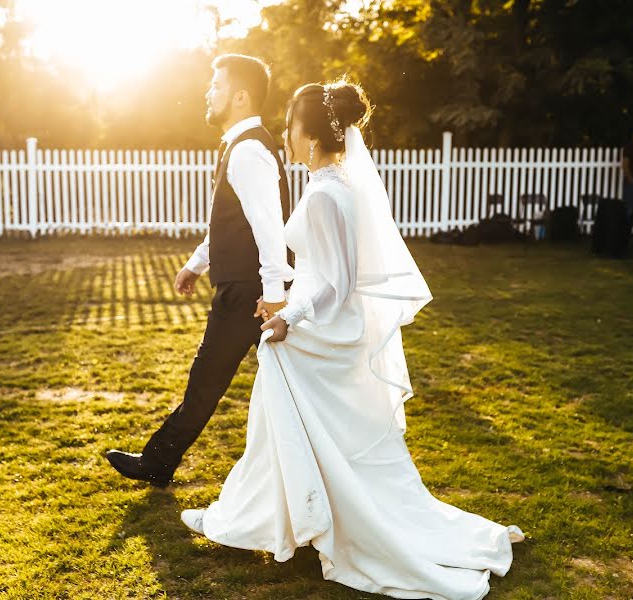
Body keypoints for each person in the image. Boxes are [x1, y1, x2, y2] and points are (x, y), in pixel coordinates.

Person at [179, 79, 524, 600]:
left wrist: (287, 316)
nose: (286, 138)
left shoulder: (325, 194)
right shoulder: (336, 185)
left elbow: (336, 283)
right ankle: (265, 513)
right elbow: (325, 275)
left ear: (311, 135)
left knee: (275, 361)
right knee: (277, 385)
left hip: (329, 322)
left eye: (292, 128)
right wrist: (287, 307)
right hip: (329, 316)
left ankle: (271, 516)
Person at [105, 54, 294, 487]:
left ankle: (156, 463)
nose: (208, 93)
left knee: (207, 381)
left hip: (251, 292)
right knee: (229, 381)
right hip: (249, 287)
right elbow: (231, 224)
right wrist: (196, 263)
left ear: (240, 95)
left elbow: (269, 231)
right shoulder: (241, 147)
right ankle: (159, 461)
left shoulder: (249, 152)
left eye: (217, 85)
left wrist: (274, 295)